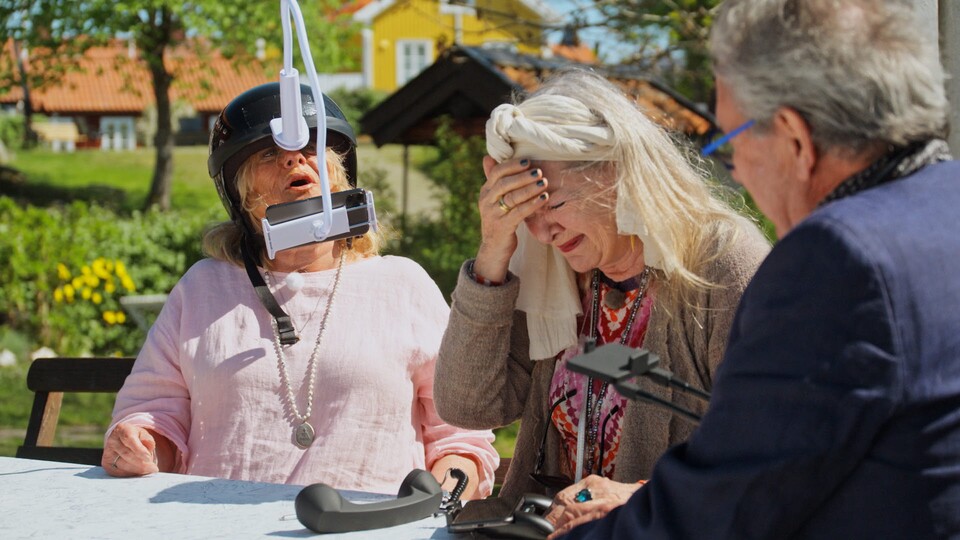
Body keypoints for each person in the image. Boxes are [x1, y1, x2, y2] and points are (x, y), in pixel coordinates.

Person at [558, 0, 960, 538]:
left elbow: (722, 507)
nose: (739, 173)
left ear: (794, 137)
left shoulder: (837, 259)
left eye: (731, 143)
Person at [102, 82, 498, 499]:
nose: (293, 158)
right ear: (240, 193)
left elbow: (460, 438)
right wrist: (139, 445)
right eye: (267, 154)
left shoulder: (402, 285)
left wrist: (439, 502)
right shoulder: (202, 288)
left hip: (371, 523)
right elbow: (153, 415)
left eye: (311, 146)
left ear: (338, 173)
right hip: (217, 520)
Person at [433, 68, 770, 521]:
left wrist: (639, 498)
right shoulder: (551, 269)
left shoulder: (724, 263)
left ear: (617, 175)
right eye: (525, 212)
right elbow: (469, 406)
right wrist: (493, 250)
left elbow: (774, 444)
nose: (542, 233)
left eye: (553, 204)